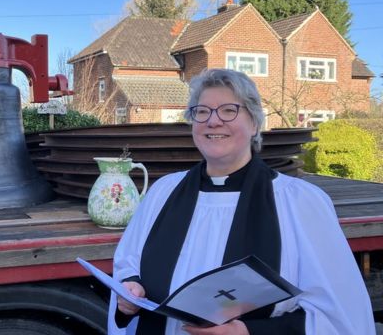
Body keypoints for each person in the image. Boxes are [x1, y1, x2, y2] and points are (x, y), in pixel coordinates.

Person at [108, 68, 375, 334]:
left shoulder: (298, 202)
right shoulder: (163, 192)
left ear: (255, 123)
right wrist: (130, 289)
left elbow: (339, 313)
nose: (213, 121)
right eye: (202, 111)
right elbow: (128, 263)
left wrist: (249, 332)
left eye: (228, 110)